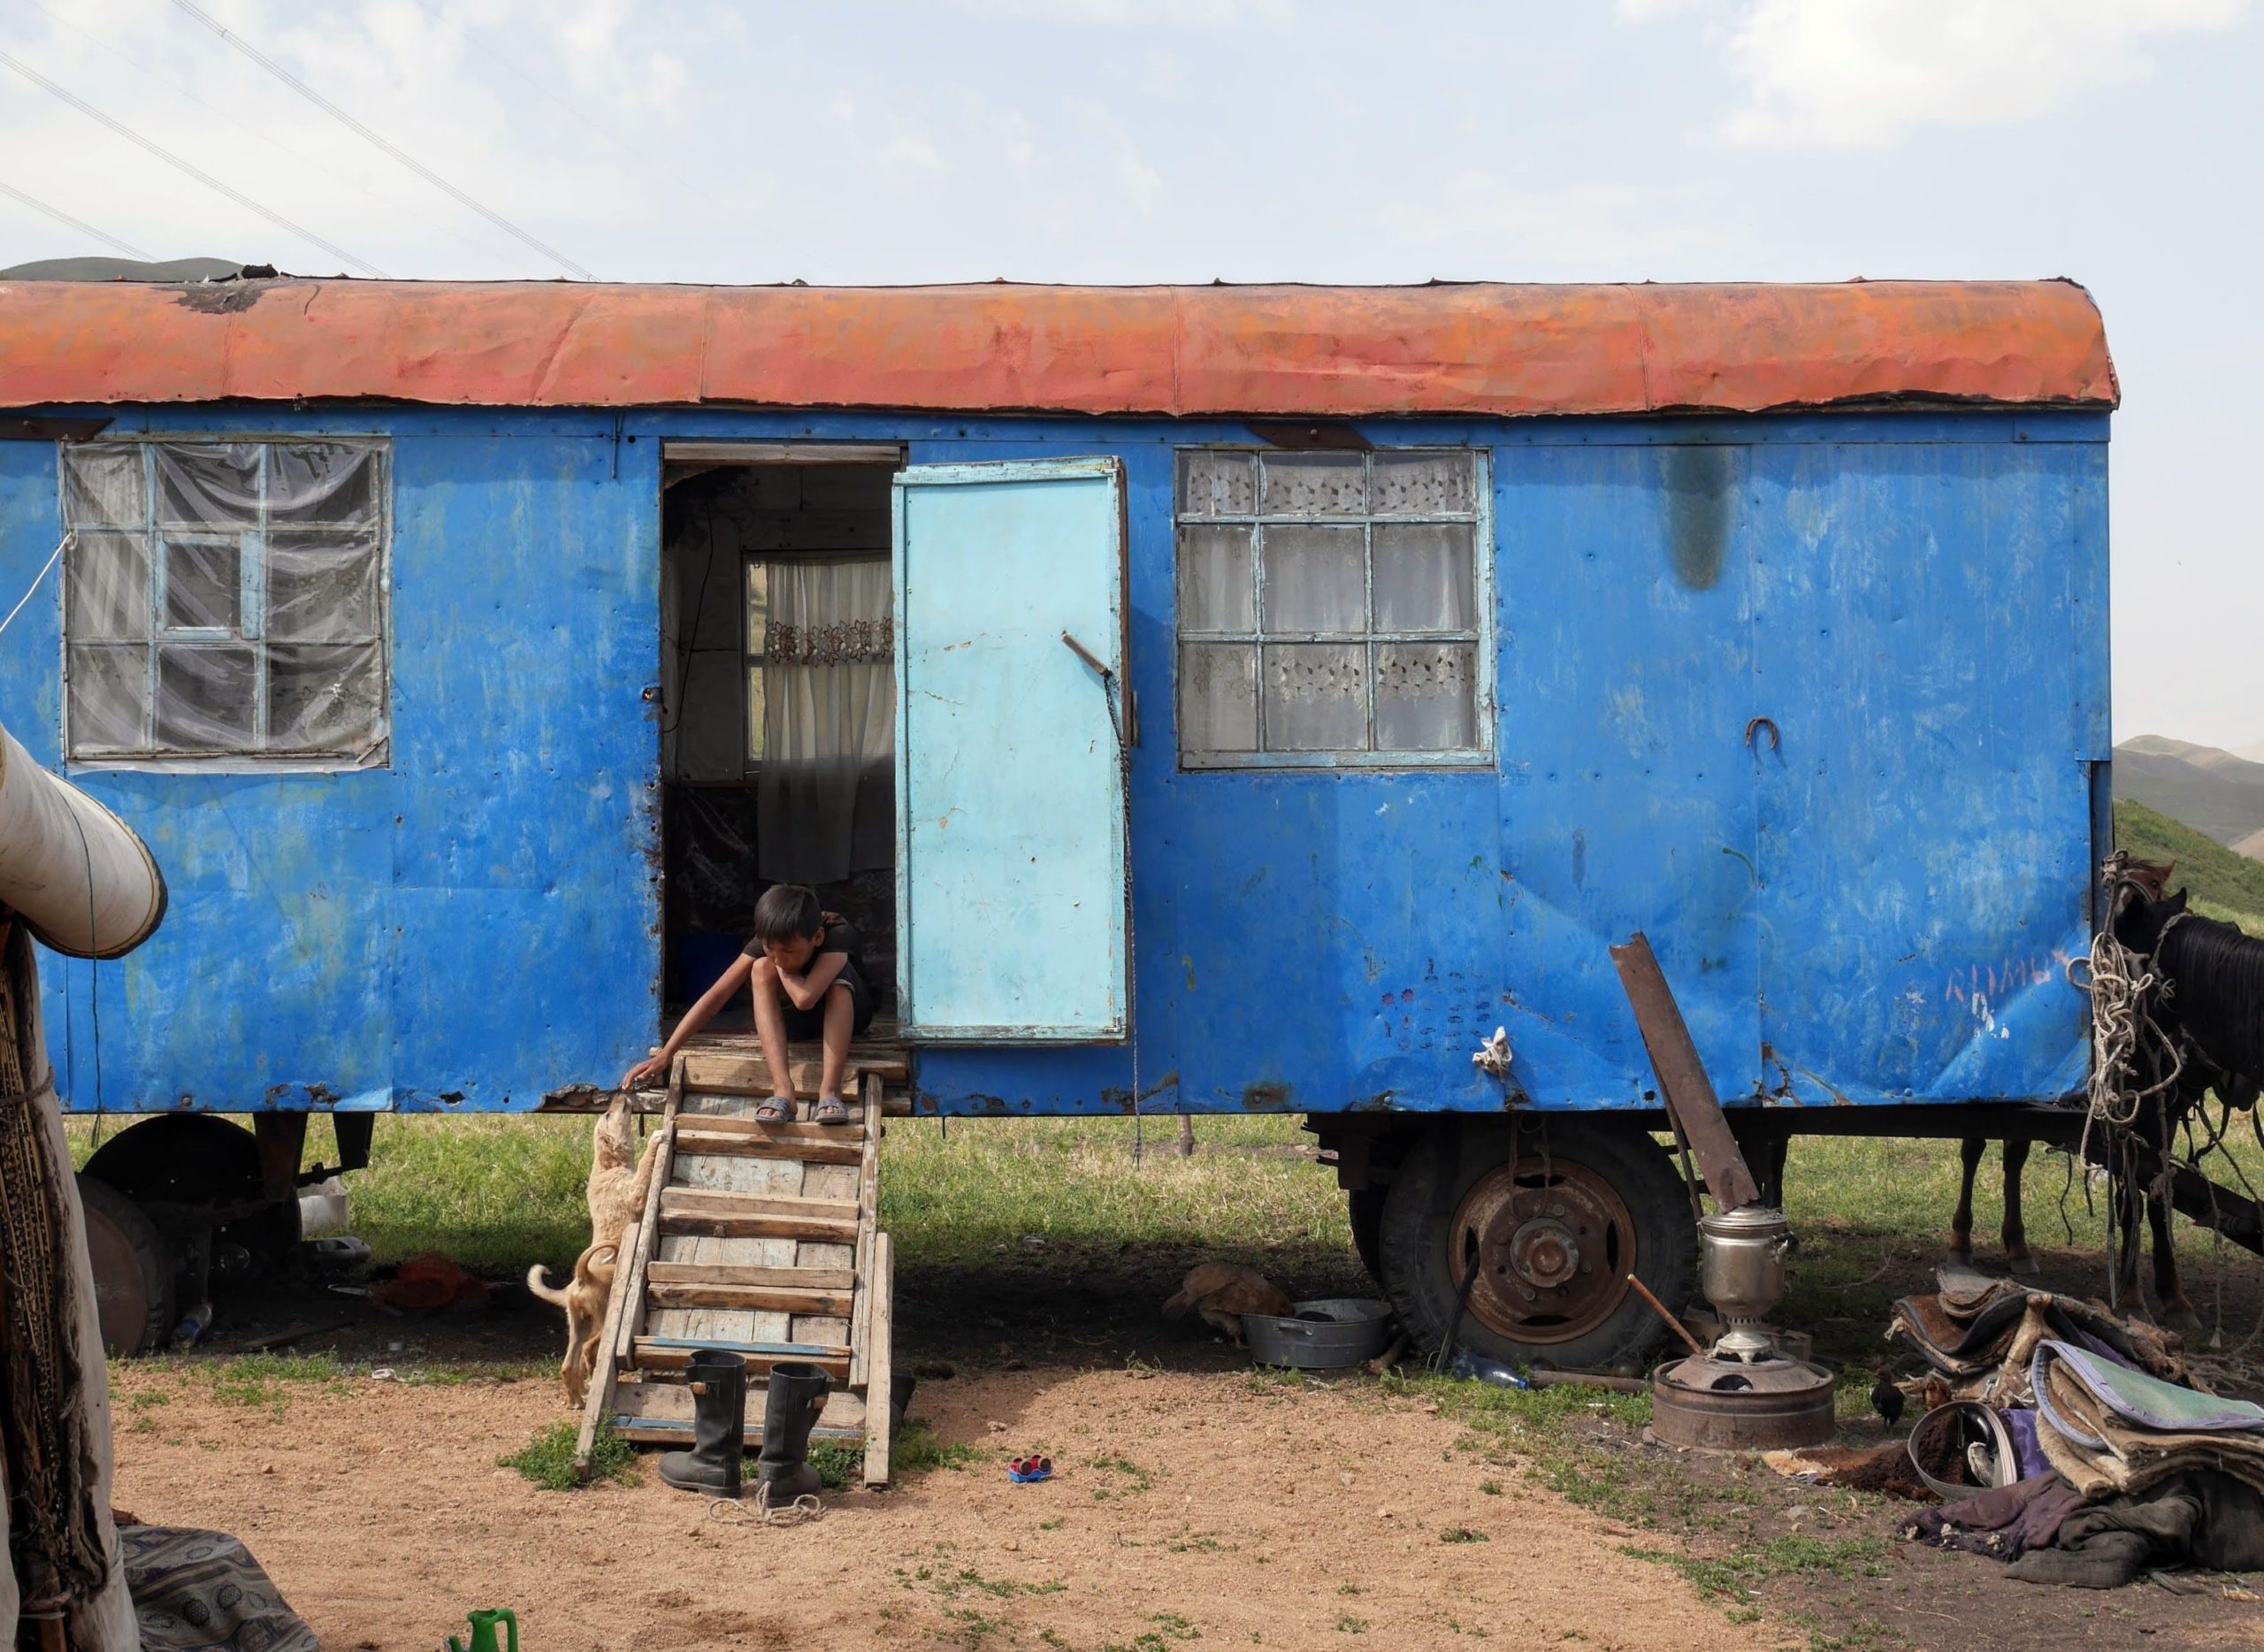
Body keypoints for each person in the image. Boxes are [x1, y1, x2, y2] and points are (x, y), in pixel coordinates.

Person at [623, 884, 876, 1124]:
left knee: (836, 978)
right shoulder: (771, 943)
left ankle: (830, 1091)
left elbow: (805, 999)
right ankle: (783, 1089)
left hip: (849, 1019)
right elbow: (717, 995)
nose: (779, 957)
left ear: (817, 937)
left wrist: (777, 965)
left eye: (789, 951)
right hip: (800, 1026)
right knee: (759, 968)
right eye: (771, 948)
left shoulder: (836, 933)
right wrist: (667, 1053)